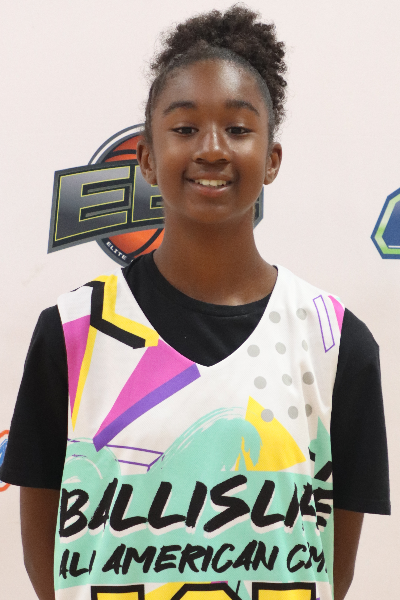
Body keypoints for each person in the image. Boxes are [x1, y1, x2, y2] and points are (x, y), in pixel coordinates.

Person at [0, 5, 390, 600]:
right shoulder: (74, 332)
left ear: (272, 159)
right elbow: (43, 556)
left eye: (238, 128)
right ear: (148, 158)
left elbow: (332, 566)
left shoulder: (335, 340)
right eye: (184, 129)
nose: (211, 149)